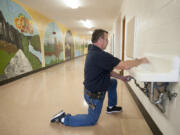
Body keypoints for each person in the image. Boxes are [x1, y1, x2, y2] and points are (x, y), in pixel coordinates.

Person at [50, 29, 149, 127]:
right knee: (92, 120)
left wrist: (121, 77)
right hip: (94, 95)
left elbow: (107, 71)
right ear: (100, 40)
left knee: (113, 82)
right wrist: (141, 60)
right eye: (106, 39)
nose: (107, 42)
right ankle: (63, 118)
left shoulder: (93, 51)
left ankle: (111, 107)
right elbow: (124, 65)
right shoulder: (100, 55)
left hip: (94, 87)